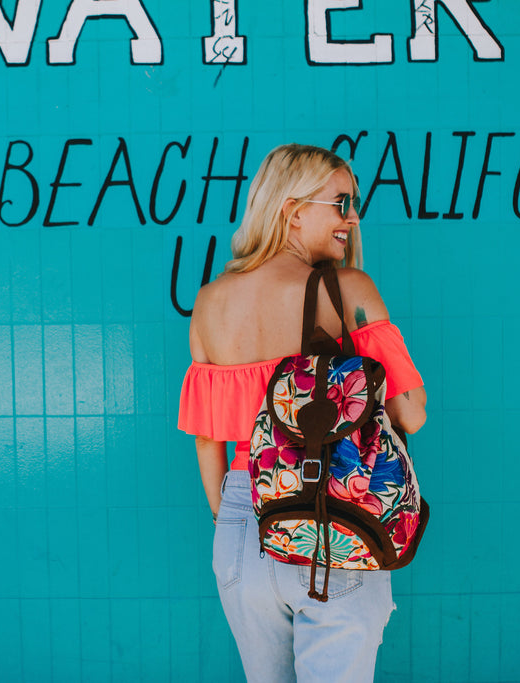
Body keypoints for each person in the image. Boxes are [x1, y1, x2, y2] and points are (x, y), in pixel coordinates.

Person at [177, 143, 427, 682]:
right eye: (340, 203)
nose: (352, 218)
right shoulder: (348, 292)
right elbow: (412, 414)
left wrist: (239, 517)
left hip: (244, 524)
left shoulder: (210, 303)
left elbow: (206, 440)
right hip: (334, 515)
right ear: (293, 211)